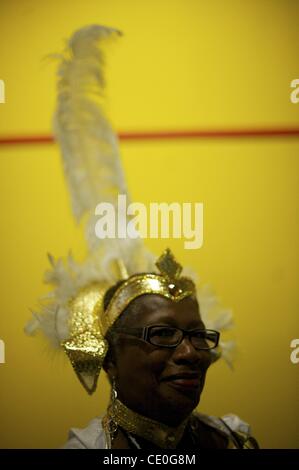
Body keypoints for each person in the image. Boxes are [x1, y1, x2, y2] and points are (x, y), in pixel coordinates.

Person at [61, 248, 259, 449]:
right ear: (110, 359)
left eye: (198, 335)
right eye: (163, 334)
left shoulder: (233, 440)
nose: (189, 353)